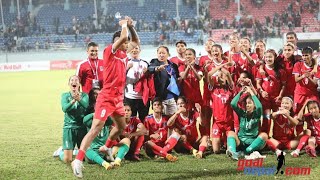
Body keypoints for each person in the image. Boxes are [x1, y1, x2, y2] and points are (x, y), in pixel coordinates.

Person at [71, 16, 140, 178]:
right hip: (106, 97)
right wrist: (124, 24)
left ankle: (106, 147)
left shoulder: (123, 56)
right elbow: (123, 37)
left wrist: (131, 27)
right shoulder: (109, 52)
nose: (127, 45)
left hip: (117, 99)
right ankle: (78, 160)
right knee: (96, 129)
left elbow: (135, 41)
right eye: (124, 43)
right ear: (116, 43)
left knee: (121, 127)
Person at [226, 86, 268, 160]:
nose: (247, 105)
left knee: (264, 135)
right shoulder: (242, 113)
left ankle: (246, 152)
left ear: (254, 105)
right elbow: (233, 104)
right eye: (246, 103)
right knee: (230, 133)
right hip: (241, 142)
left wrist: (251, 92)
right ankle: (233, 153)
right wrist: (240, 92)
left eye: (249, 103)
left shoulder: (257, 114)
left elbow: (259, 107)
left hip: (253, 143)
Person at [256, 49, 287, 134]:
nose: (268, 59)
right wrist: (262, 92)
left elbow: (284, 85)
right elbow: (258, 84)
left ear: (274, 58)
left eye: (270, 57)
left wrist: (280, 96)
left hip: (276, 99)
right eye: (266, 57)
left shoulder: (281, 71)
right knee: (267, 118)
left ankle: (278, 137)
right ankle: (265, 139)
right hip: (265, 99)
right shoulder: (261, 70)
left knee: (278, 118)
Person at [59, 75, 89, 163]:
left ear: (79, 84)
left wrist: (79, 99)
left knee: (84, 158)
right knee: (67, 160)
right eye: (72, 80)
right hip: (69, 128)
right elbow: (64, 109)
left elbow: (86, 106)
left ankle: (72, 150)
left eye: (76, 80)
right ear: (69, 83)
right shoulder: (65, 95)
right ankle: (61, 152)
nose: (74, 82)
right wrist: (73, 101)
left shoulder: (84, 96)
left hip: (81, 128)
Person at [293, 47, 320, 135]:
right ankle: (299, 135)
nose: (304, 57)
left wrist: (309, 77)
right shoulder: (298, 65)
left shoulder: (317, 68)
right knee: (297, 114)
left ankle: (315, 133)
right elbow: (296, 80)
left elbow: (315, 84)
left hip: (312, 93)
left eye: (307, 55)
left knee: (315, 112)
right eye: (303, 55)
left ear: (311, 56)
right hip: (300, 92)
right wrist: (304, 76)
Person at [148, 46, 180, 116]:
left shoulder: (173, 65)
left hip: (172, 98)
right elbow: (150, 68)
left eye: (163, 53)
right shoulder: (154, 62)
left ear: (168, 54)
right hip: (160, 98)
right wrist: (157, 68)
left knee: (173, 118)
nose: (161, 55)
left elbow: (177, 78)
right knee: (161, 120)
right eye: (159, 53)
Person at [125, 45, 150, 122]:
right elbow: (119, 78)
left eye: (136, 48)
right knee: (130, 120)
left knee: (144, 120)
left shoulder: (145, 63)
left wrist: (147, 73)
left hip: (142, 98)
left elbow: (150, 80)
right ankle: (130, 134)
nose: (134, 50)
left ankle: (142, 134)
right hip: (130, 97)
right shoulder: (125, 62)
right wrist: (126, 69)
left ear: (140, 50)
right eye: (132, 48)